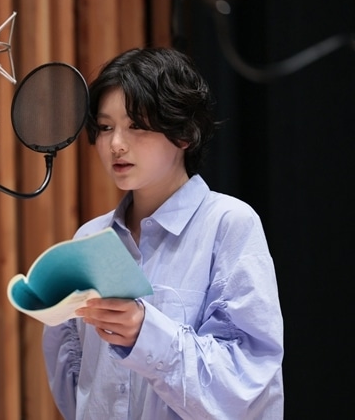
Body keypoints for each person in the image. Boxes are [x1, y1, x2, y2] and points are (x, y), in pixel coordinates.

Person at [42, 47, 284, 419]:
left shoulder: (228, 224)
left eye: (136, 125)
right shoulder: (91, 237)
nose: (116, 144)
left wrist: (146, 333)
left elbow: (245, 380)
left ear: (184, 133)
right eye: (105, 127)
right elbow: (74, 382)